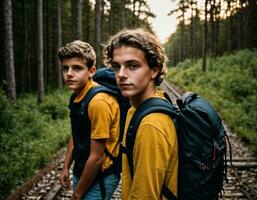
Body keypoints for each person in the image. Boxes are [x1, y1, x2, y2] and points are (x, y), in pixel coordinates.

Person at [104, 29, 179, 199]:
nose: (121, 75)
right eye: (117, 66)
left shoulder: (151, 125)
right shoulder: (136, 110)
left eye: (133, 66)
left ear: (154, 70)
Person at [58, 40, 120, 200]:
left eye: (77, 68)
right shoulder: (77, 96)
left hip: (101, 176)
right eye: (65, 68)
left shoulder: (98, 102)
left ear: (91, 71)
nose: (69, 73)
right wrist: (66, 167)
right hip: (82, 169)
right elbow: (76, 134)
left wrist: (77, 195)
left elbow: (97, 157)